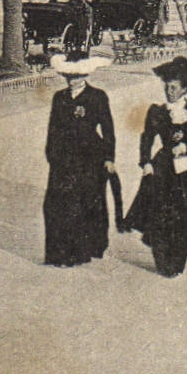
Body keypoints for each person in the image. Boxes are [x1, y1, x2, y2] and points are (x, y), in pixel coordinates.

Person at [124, 57, 187, 277]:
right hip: (164, 167)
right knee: (159, 212)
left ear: (185, 88)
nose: (169, 91)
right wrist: (145, 162)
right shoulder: (156, 111)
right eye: (166, 86)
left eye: (174, 87)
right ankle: (163, 260)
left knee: (183, 213)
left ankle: (178, 259)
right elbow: (146, 138)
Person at [42, 53, 116, 267]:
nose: (70, 80)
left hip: (90, 157)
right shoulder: (59, 97)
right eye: (67, 76)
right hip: (63, 158)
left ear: (85, 75)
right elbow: (52, 128)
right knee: (56, 204)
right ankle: (59, 253)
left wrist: (109, 157)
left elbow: (108, 129)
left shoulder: (97, 96)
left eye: (75, 76)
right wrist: (52, 155)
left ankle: (85, 249)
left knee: (86, 202)